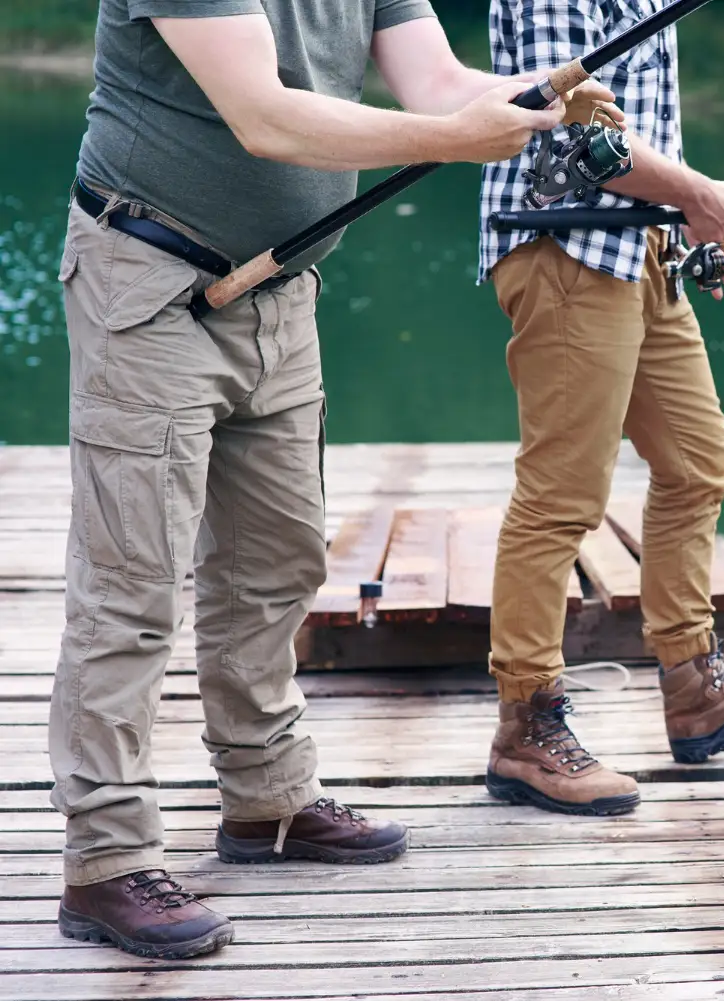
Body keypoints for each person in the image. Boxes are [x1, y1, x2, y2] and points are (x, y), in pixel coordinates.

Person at [51, 0, 612, 961]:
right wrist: (452, 136)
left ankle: (266, 799)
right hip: (146, 279)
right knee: (132, 588)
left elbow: (437, 85)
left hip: (280, 295)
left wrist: (522, 106)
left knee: (277, 564)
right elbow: (264, 115)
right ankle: (105, 862)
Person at [478, 0, 724, 818]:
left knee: (698, 462)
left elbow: (639, 138)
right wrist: (698, 191)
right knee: (562, 496)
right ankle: (525, 724)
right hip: (564, 248)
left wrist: (700, 213)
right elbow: (569, 136)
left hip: (642, 250)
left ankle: (694, 681)